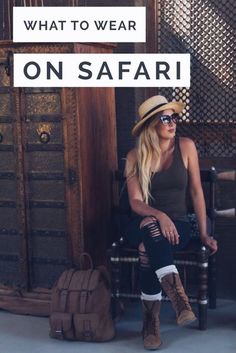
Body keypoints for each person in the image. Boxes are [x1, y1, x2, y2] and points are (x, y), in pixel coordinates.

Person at [124, 95, 218, 350]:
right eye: (165, 118)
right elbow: (135, 202)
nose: (172, 123)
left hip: (179, 227)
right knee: (151, 228)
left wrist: (204, 233)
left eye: (174, 117)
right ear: (151, 124)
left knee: (147, 250)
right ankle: (179, 301)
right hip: (143, 223)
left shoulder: (186, 147)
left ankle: (150, 322)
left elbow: (197, 193)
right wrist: (159, 215)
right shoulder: (135, 156)